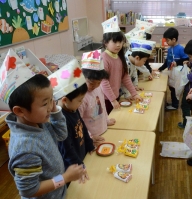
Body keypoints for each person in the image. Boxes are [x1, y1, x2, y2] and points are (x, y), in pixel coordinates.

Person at [2, 50, 83, 199]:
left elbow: (61, 134)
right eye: (45, 103)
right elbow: (29, 190)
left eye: (52, 99)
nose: (51, 106)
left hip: (57, 192)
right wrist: (64, 178)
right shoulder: (25, 148)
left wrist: (54, 111)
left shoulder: (37, 122)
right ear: (20, 111)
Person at [48, 60, 96, 186]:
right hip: (72, 167)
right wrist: (79, 165)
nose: (81, 104)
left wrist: (90, 144)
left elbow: (82, 127)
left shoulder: (73, 108)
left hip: (81, 156)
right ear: (64, 100)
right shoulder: (61, 120)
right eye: (79, 101)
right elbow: (66, 149)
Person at [100, 16, 142, 114]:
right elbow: (104, 82)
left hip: (115, 96)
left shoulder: (119, 56)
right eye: (115, 42)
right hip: (105, 99)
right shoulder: (104, 58)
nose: (118, 45)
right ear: (106, 43)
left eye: (120, 41)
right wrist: (113, 99)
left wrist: (134, 94)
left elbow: (125, 77)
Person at [79, 50, 116, 145]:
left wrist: (106, 120)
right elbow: (79, 121)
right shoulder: (81, 97)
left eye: (99, 82)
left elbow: (102, 105)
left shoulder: (98, 88)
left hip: (104, 129)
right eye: (91, 83)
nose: (95, 86)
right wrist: (90, 137)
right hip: (92, 137)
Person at [157, 27, 189, 110]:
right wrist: (160, 68)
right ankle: (173, 103)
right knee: (171, 88)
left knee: (176, 89)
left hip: (178, 73)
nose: (166, 42)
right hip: (171, 72)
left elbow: (186, 59)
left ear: (174, 39)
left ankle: (175, 105)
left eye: (167, 40)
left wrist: (177, 63)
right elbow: (167, 60)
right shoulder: (170, 48)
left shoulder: (181, 48)